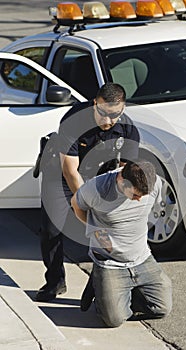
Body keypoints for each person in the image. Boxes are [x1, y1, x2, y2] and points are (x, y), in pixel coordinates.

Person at [36, 82, 140, 302]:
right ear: (95, 103)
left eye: (115, 115)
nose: (108, 120)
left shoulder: (128, 129)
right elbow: (70, 171)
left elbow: (127, 171)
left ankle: (99, 284)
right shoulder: (74, 121)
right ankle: (55, 281)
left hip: (100, 175)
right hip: (60, 173)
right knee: (52, 229)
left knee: (109, 228)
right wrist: (88, 205)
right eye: (102, 113)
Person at [71, 160, 172, 327]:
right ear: (120, 180)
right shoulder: (97, 189)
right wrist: (94, 228)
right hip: (110, 261)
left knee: (161, 309)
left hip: (142, 257)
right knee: (114, 320)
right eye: (135, 195)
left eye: (143, 196)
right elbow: (76, 204)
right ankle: (102, 287)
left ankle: (118, 293)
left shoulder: (155, 183)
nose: (139, 200)